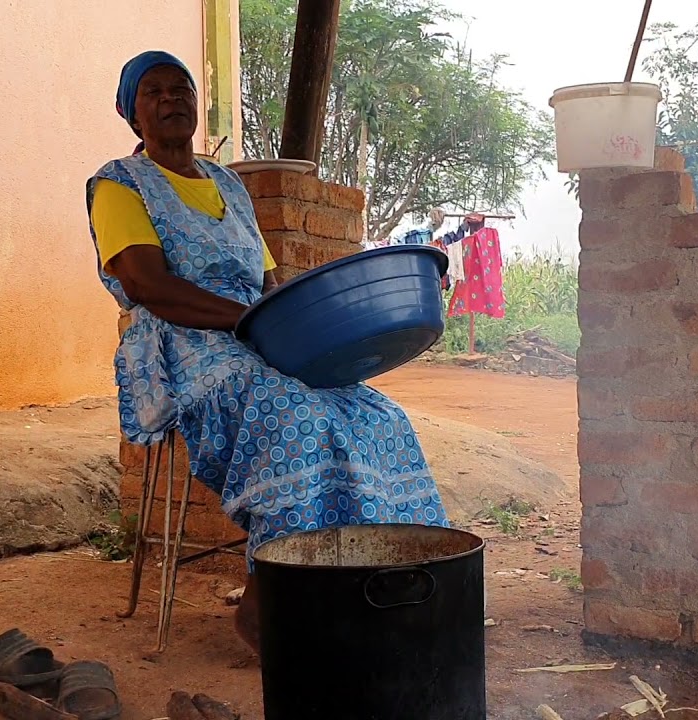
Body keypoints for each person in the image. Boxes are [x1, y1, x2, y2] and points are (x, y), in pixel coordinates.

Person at [85, 50, 450, 652]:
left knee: (375, 414)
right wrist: (250, 322)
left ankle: (372, 580)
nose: (172, 98)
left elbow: (269, 280)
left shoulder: (227, 183)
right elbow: (148, 284)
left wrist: (302, 332)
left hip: (256, 331)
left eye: (182, 88)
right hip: (188, 343)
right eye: (153, 92)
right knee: (294, 415)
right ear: (131, 115)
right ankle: (270, 597)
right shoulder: (120, 185)